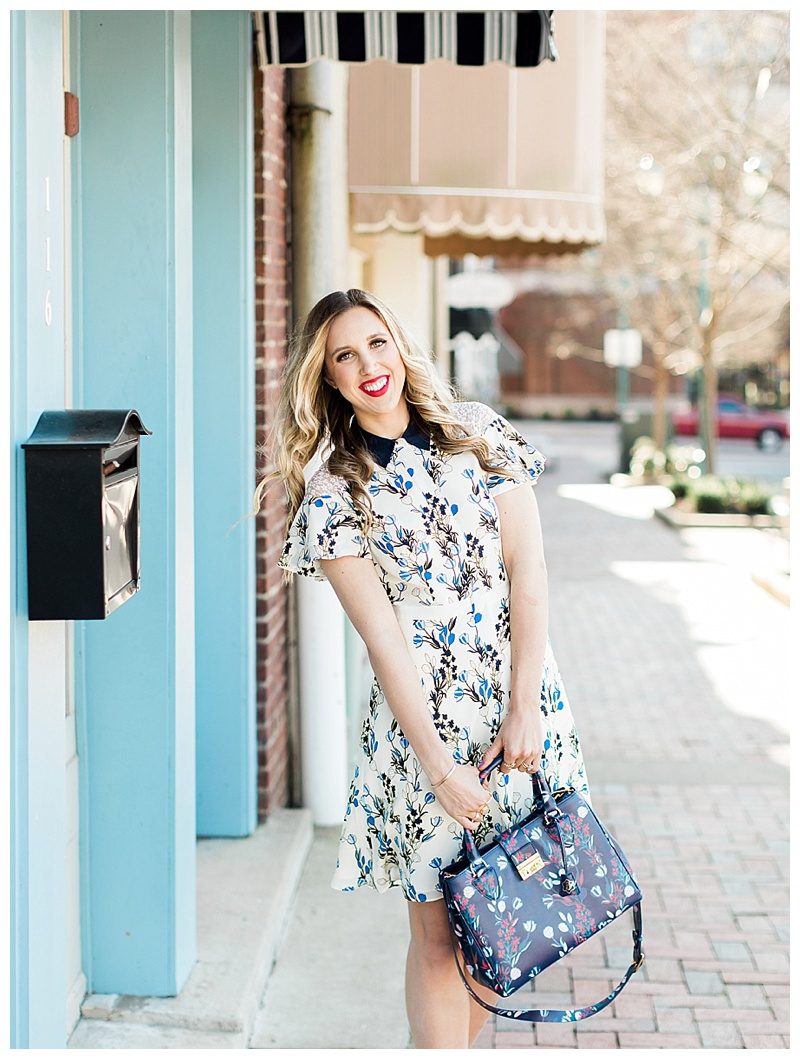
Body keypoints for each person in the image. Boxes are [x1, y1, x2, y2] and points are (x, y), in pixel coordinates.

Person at [254, 288, 591, 1048]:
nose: (367, 364)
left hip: (520, 717)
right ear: (328, 379)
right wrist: (440, 767)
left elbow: (527, 570)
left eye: (376, 342)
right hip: (422, 738)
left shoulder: (478, 434)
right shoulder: (334, 497)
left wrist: (525, 706)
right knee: (441, 937)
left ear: (399, 345)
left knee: (496, 934)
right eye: (344, 354)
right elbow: (382, 639)